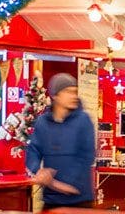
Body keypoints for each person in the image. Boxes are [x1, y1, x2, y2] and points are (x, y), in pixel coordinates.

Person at [26, 73, 95, 209]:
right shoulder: (42, 122)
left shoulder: (83, 120)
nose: (74, 96)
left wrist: (61, 183)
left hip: (79, 200)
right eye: (68, 92)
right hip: (51, 201)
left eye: (75, 92)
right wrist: (38, 171)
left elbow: (87, 156)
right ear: (55, 96)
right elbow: (33, 150)